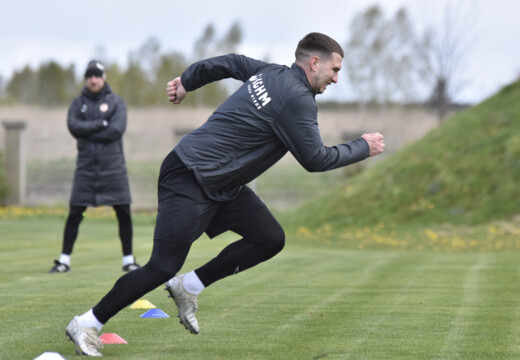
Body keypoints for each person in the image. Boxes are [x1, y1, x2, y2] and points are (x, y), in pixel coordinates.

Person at [64, 33, 385, 356]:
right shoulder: (297, 99)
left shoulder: (271, 73)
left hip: (222, 184)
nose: (336, 79)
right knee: (162, 266)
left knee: (269, 238)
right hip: (189, 175)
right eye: (335, 70)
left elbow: (230, 63)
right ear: (315, 63)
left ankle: (188, 286)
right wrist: (363, 147)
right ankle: (87, 322)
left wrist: (187, 81)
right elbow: (316, 159)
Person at [49, 60, 140, 274]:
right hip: (86, 168)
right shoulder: (77, 103)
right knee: (75, 213)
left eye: (97, 75)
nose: (93, 79)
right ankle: (64, 261)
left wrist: (88, 131)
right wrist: (101, 123)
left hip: (113, 167)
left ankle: (128, 260)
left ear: (104, 77)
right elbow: (74, 127)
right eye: (90, 76)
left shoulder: (117, 103)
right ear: (86, 79)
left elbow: (116, 130)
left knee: (123, 213)